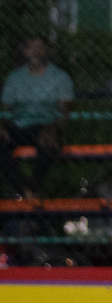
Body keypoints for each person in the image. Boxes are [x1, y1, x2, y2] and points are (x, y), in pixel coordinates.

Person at [0, 36, 74, 195]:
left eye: (40, 47)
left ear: (47, 51)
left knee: (48, 144)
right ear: (25, 52)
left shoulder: (60, 78)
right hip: (19, 126)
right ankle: (25, 190)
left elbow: (65, 111)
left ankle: (33, 188)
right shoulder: (15, 78)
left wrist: (54, 127)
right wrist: (2, 126)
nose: (36, 52)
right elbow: (5, 109)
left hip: (46, 125)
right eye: (31, 47)